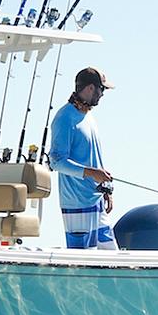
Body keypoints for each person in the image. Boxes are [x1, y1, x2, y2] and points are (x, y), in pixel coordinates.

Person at [48, 67, 118, 249]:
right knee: (84, 260)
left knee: (111, 257)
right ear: (90, 88)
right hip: (77, 205)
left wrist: (106, 188)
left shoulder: (88, 117)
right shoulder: (64, 118)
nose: (102, 94)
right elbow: (56, 161)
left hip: (96, 200)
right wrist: (91, 173)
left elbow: (94, 160)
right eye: (102, 89)